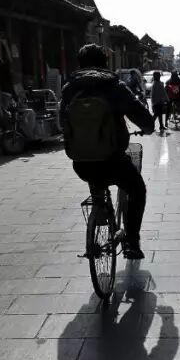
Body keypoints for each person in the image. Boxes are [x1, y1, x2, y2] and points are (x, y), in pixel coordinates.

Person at [60, 44, 154, 259]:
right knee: (137, 189)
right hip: (113, 161)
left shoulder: (69, 89)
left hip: (81, 163)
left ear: (80, 64)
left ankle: (100, 211)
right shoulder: (115, 87)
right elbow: (141, 117)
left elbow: (61, 122)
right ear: (104, 63)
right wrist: (148, 128)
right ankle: (132, 242)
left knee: (95, 176)